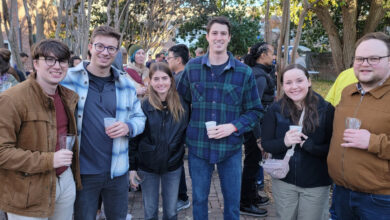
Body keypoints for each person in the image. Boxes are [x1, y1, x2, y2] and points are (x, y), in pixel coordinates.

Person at [177, 16, 263, 220]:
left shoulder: (244, 72)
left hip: (230, 149)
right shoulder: (192, 68)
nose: (219, 37)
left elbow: (255, 110)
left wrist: (233, 127)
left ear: (229, 38)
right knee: (199, 201)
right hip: (198, 148)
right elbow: (180, 105)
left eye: (223, 33)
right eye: (214, 33)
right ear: (207, 36)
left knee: (232, 205)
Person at [61, 25, 146, 220]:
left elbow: (140, 118)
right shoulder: (68, 79)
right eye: (100, 46)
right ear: (90, 47)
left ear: (117, 52)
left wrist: (128, 126)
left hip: (116, 171)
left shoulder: (125, 84)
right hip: (83, 172)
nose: (105, 52)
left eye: (111, 48)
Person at [0, 39, 81, 220]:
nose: (57, 66)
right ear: (35, 63)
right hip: (27, 190)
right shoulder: (11, 99)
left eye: (62, 61)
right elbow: (2, 152)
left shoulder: (68, 97)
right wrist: (49, 160)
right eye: (50, 60)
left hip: (64, 180)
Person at [327, 32, 390, 219]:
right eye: (360, 58)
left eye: (374, 58)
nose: (364, 63)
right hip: (341, 193)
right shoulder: (348, 92)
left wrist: (373, 141)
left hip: (380, 200)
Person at [262, 64, 334, 220]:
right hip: (284, 182)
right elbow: (267, 144)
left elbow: (332, 148)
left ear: (308, 81)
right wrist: (285, 142)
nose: (294, 87)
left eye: (299, 81)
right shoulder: (275, 110)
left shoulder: (326, 109)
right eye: (288, 83)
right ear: (282, 86)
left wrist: (310, 146)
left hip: (316, 183)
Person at [129, 62, 189, 220]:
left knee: (171, 212)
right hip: (147, 166)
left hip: (173, 165)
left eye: (164, 78)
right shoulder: (144, 105)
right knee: (150, 211)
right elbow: (134, 140)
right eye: (156, 79)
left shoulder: (182, 104)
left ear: (171, 79)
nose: (161, 83)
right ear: (150, 81)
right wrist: (132, 167)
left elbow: (185, 132)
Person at [239, 42, 277, 217]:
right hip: (255, 128)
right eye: (272, 53)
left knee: (254, 164)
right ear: (263, 55)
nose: (274, 57)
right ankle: (245, 202)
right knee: (252, 164)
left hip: (257, 127)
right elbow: (254, 107)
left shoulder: (259, 73)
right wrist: (259, 137)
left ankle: (252, 196)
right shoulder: (259, 76)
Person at [166, 44, 191, 211]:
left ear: (178, 60)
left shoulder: (181, 78)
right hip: (177, 127)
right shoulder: (178, 76)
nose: (167, 60)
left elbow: (181, 107)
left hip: (178, 127)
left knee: (176, 162)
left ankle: (182, 197)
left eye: (169, 58)